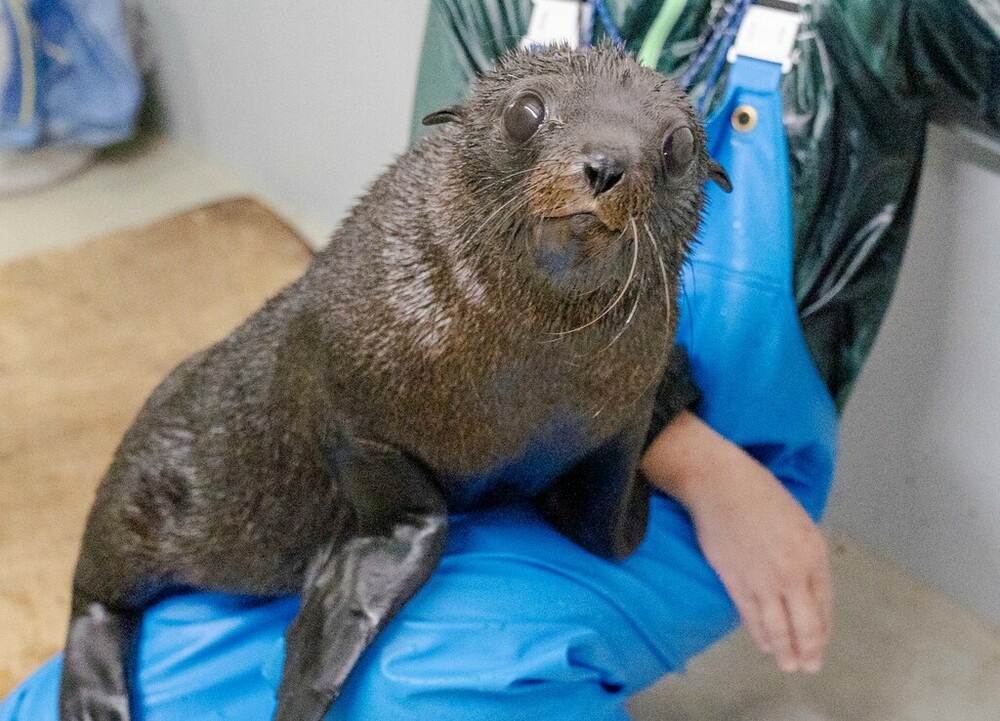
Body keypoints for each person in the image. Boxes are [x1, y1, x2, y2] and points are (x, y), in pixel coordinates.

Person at [2, 1, 998, 719]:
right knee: (54, 705)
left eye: (668, 164)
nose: (608, 170)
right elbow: (421, 269)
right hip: (452, 445)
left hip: (708, 484)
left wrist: (710, 469)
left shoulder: (874, 22)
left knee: (420, 685)